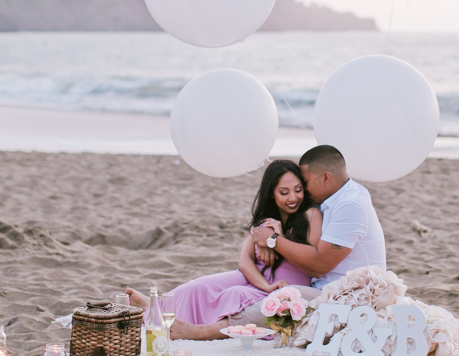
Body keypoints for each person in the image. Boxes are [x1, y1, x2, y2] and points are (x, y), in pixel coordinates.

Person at [168, 145, 386, 340]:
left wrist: (273, 240)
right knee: (204, 286)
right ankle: (159, 310)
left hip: (346, 294)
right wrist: (267, 238)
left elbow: (321, 264)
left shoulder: (350, 205)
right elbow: (249, 253)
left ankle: (202, 332)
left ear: (326, 178)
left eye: (304, 184)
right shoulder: (335, 200)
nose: (303, 192)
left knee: (280, 301)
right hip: (325, 287)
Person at [125, 159, 322, 330]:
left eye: (298, 190)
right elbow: (245, 262)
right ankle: (155, 310)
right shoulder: (265, 221)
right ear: (271, 193)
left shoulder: (310, 216)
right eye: (284, 192)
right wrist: (266, 285)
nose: (293, 198)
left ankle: (185, 326)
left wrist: (275, 239)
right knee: (197, 286)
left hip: (284, 285)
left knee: (234, 294)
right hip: (257, 280)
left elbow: (313, 257)